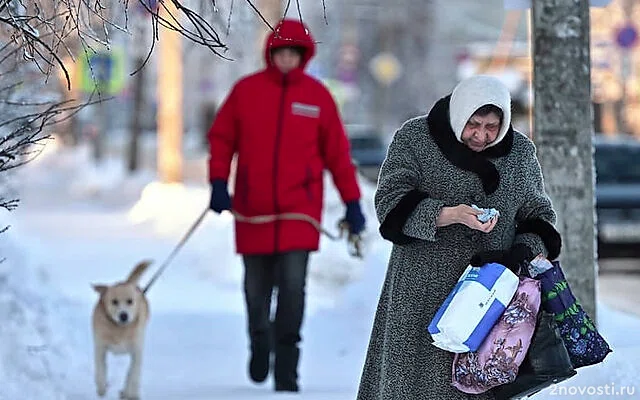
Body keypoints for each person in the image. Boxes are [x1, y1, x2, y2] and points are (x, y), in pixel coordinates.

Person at [356, 75, 562, 400]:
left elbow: (540, 217)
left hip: (489, 301)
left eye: (492, 126)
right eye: (473, 125)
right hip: (420, 292)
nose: (481, 136)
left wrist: (518, 254)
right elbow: (390, 202)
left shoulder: (520, 153)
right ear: (459, 114)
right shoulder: (415, 138)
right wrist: (449, 214)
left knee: (475, 386)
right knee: (411, 387)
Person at [206, 18, 366, 393]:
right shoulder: (246, 92)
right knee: (255, 291)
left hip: (300, 213)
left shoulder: (318, 97)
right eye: (281, 52)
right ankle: (259, 341)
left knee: (293, 290)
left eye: (294, 53)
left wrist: (353, 204)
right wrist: (217, 182)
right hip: (253, 211)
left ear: (304, 56)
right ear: (271, 53)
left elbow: (339, 156)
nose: (287, 59)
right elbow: (221, 139)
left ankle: (287, 369)